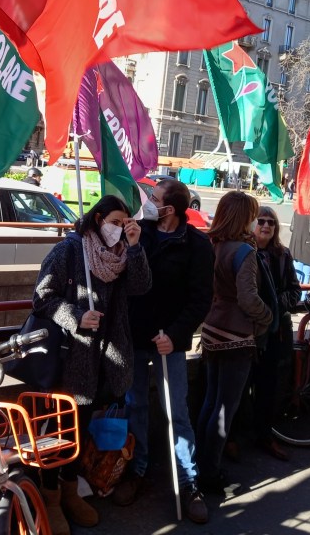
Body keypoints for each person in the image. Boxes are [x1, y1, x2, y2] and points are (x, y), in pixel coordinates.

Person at [32, 195, 151, 533]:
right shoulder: (70, 250)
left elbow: (141, 286)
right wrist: (76, 316)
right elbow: (41, 298)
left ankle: (70, 490)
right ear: (98, 219)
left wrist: (135, 247)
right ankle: (50, 496)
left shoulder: (120, 255)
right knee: (60, 430)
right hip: (71, 356)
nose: (119, 229)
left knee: (82, 427)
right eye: (114, 222)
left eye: (124, 223)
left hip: (105, 358)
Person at [114, 178, 212, 523]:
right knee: (135, 405)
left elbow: (201, 299)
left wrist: (176, 333)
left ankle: (188, 481)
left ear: (169, 209)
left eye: (154, 198)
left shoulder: (197, 244)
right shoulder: (140, 231)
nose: (148, 202)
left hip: (169, 340)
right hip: (136, 335)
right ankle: (137, 468)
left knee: (176, 412)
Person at [196, 191, 272, 494]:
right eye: (254, 215)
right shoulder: (244, 251)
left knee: (210, 401)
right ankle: (210, 472)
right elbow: (248, 298)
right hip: (236, 335)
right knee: (225, 408)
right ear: (244, 218)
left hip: (212, 328)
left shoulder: (213, 244)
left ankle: (199, 463)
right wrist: (267, 316)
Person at [250, 206, 301, 461]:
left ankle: (265, 436)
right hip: (247, 330)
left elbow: (295, 290)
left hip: (275, 330)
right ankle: (234, 438)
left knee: (270, 386)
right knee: (240, 386)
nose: (266, 226)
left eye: (271, 222)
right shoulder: (244, 251)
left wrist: (274, 304)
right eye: (261, 221)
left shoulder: (282, 254)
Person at [288, 211, 310, 287]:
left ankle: (296, 293)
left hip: (296, 245)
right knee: (306, 275)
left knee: (296, 274)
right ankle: (303, 294)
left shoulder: (297, 210)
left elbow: (292, 228)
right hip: (308, 246)